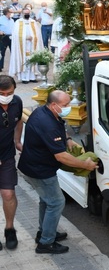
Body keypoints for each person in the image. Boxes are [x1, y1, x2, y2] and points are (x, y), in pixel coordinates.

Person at [18, 90, 98, 254]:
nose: (69, 107)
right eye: (66, 105)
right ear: (54, 105)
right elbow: (61, 157)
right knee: (56, 202)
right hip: (39, 170)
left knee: (46, 201)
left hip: (36, 165)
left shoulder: (46, 111)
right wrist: (85, 165)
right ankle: (46, 243)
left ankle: (45, 232)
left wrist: (67, 139)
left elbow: (60, 126)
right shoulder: (46, 123)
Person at [0, 76, 23, 250]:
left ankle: (10, 229)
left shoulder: (17, 102)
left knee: (8, 194)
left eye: (10, 93)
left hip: (7, 156)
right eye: (2, 93)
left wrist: (17, 140)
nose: (6, 96)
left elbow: (19, 120)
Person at [9, 8, 43, 84]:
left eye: (28, 13)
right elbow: (15, 35)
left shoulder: (33, 22)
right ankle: (24, 78)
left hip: (32, 45)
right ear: (22, 13)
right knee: (25, 61)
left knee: (32, 60)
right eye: (25, 13)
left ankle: (32, 77)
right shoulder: (18, 22)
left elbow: (38, 34)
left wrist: (33, 37)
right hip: (22, 46)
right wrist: (25, 37)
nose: (27, 14)